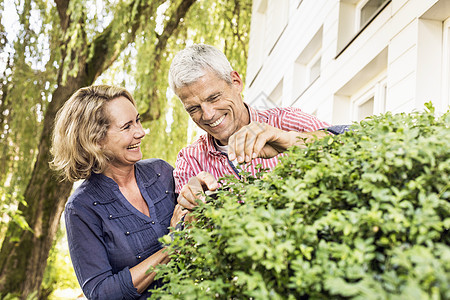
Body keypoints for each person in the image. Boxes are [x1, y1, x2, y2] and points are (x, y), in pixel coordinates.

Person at [168, 44, 348, 210]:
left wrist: (290, 140)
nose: (208, 114)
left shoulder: (287, 121)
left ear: (236, 82)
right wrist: (192, 206)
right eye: (193, 108)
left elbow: (351, 145)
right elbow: (185, 235)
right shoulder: (190, 160)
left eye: (214, 98)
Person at [50, 85, 186, 299]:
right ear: (95, 140)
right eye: (127, 127)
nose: (141, 132)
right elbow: (102, 293)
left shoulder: (161, 172)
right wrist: (172, 247)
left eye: (138, 120)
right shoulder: (81, 209)